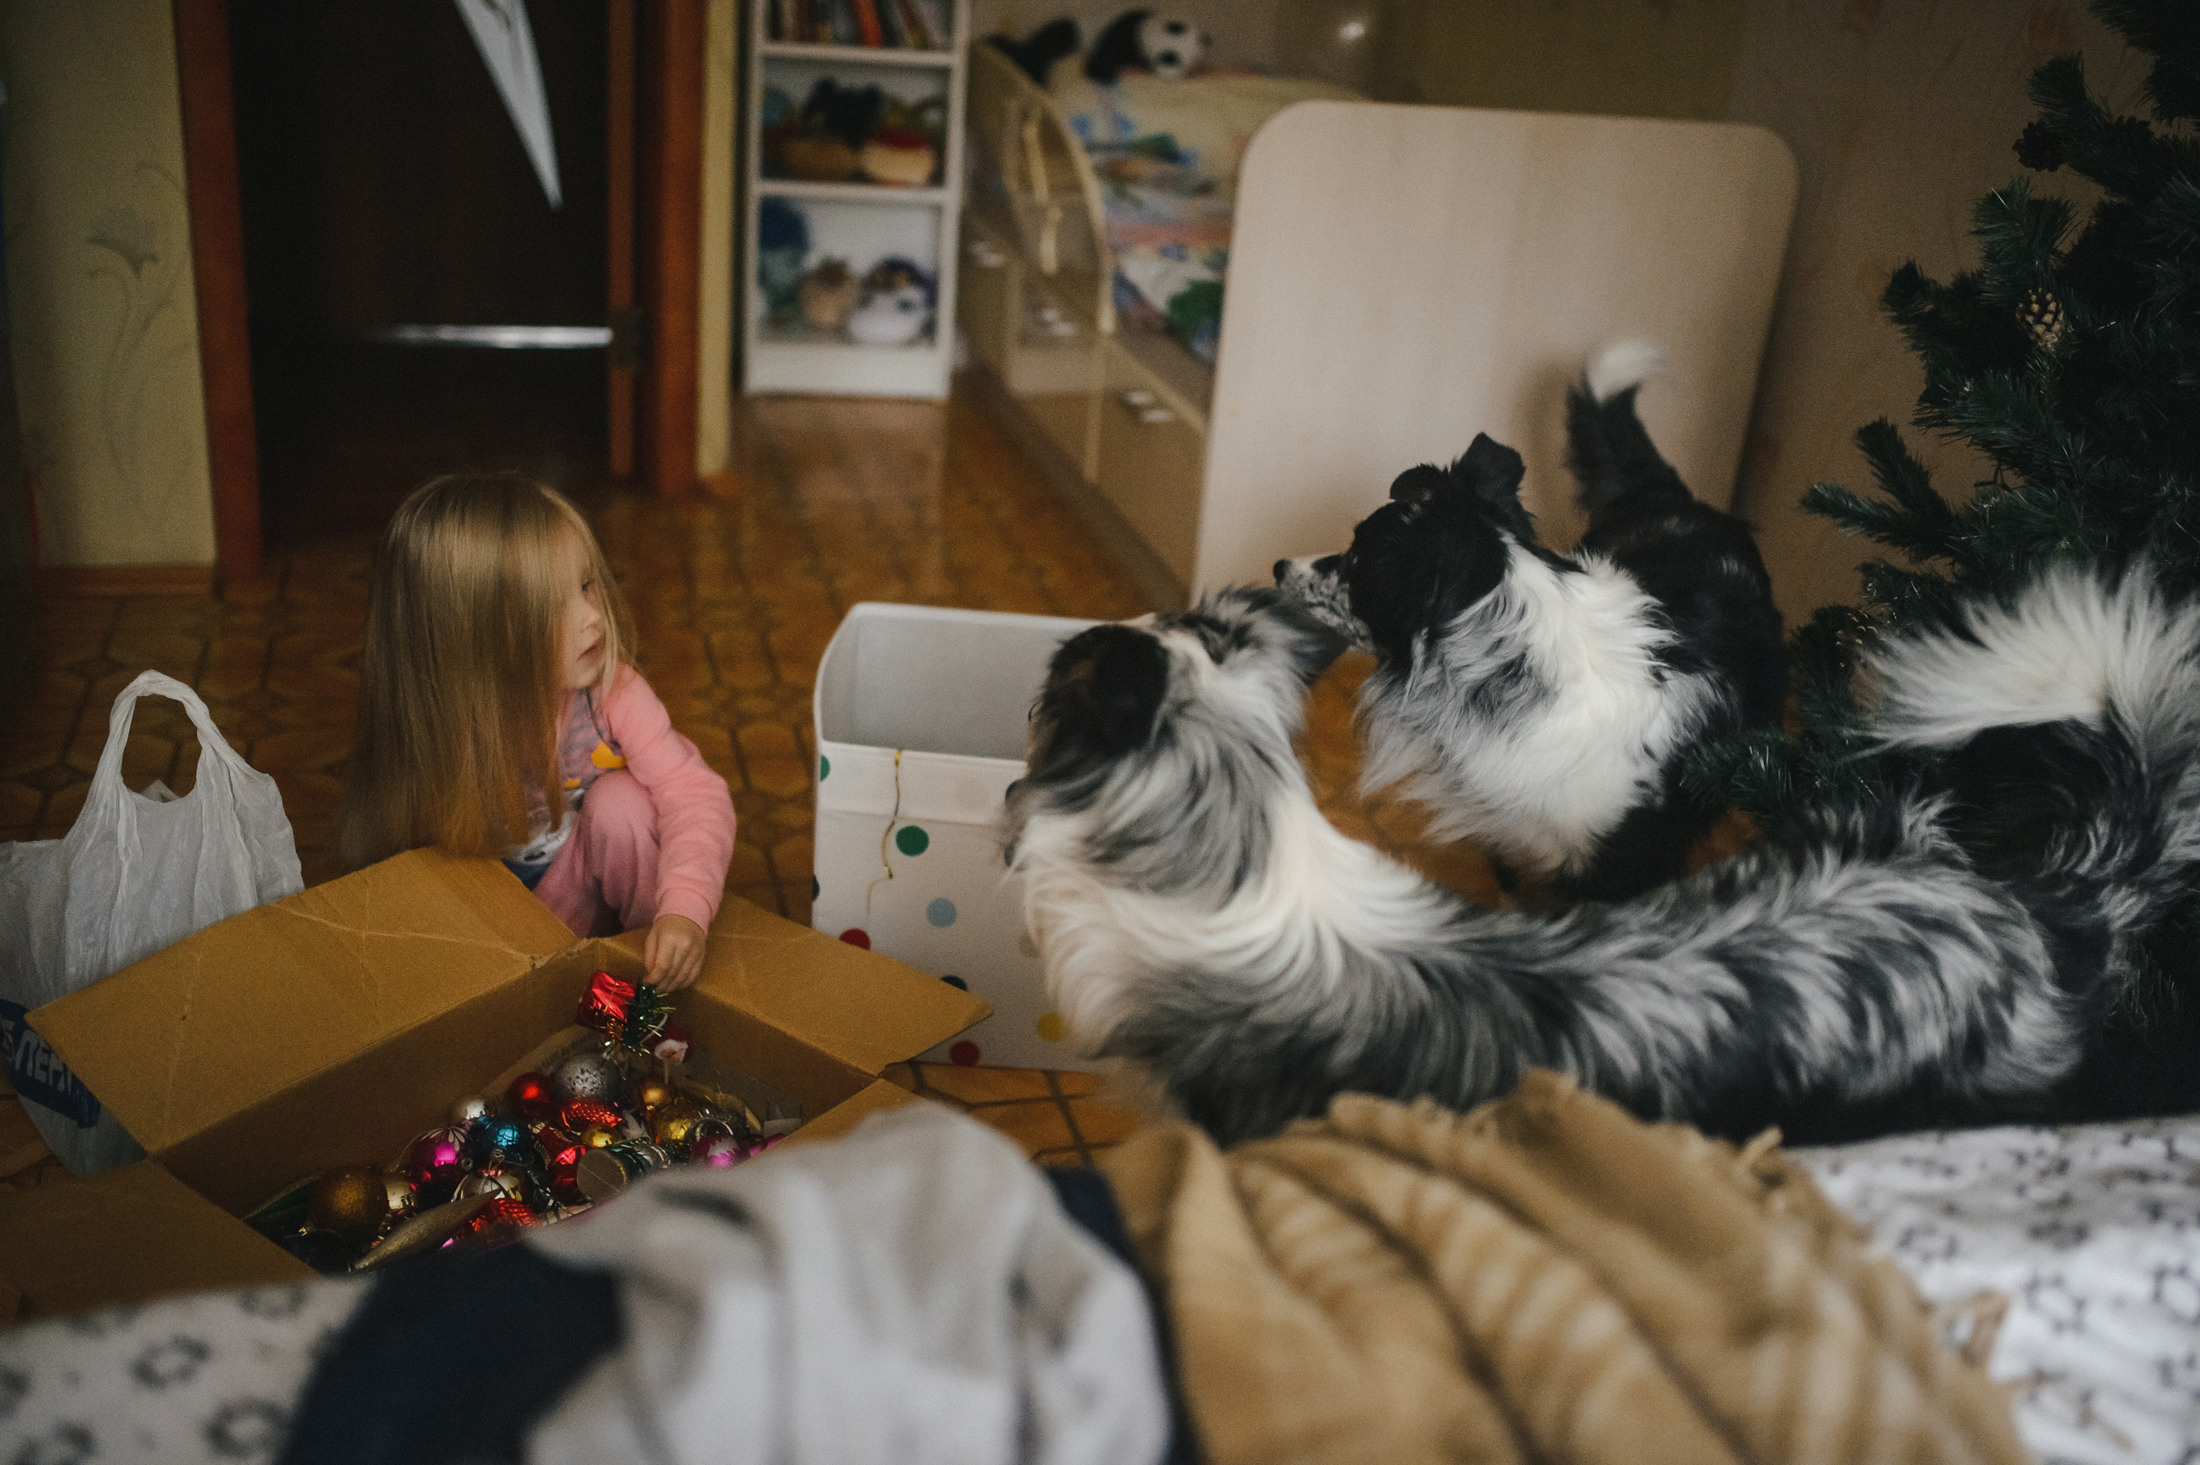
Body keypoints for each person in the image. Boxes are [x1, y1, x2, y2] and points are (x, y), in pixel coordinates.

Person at [338, 474, 734, 990]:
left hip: (585, 900)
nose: (594, 616)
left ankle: (653, 964)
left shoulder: (612, 691)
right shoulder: (436, 724)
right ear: (472, 638)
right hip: (487, 927)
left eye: (589, 584)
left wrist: (682, 910)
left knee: (624, 805)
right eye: (551, 606)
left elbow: (697, 794)